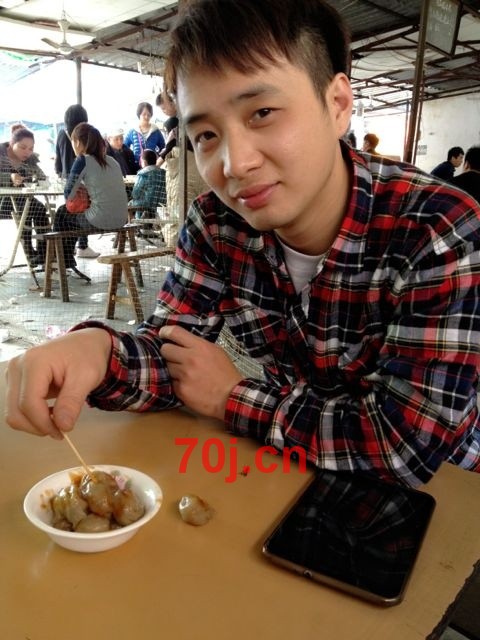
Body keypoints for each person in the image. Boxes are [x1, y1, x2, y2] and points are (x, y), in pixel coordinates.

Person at [6, 0, 480, 490]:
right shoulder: (217, 224)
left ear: (338, 105)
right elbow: (170, 355)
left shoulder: (437, 226)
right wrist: (99, 350)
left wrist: (230, 397)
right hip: (291, 474)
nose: (235, 164)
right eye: (207, 135)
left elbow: (404, 444)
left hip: (449, 499)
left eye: (262, 113)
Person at [52, 123, 128, 269]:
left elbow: (68, 194)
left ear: (77, 142)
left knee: (63, 213)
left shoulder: (82, 160)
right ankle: (74, 253)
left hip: (99, 220)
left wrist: (81, 190)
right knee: (75, 214)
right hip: (122, 219)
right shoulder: (112, 161)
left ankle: (59, 261)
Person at [0, 125, 50, 265]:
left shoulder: (30, 159)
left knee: (40, 209)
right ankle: (29, 251)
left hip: (23, 200)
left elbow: (41, 176)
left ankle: (44, 252)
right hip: (3, 202)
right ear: (11, 143)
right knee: (26, 209)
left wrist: (38, 179)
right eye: (22, 147)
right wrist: (9, 177)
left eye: (31, 148)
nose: (27, 152)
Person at [55, 104, 99, 259]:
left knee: (72, 211)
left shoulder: (62, 134)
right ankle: (79, 247)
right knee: (78, 209)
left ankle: (67, 252)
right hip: (78, 178)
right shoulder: (79, 136)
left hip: (68, 177)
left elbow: (58, 160)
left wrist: (60, 173)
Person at [129, 148, 166, 218]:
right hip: (161, 204)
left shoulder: (143, 174)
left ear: (144, 162)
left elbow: (135, 194)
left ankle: (135, 221)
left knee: (130, 203)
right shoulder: (163, 173)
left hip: (146, 205)